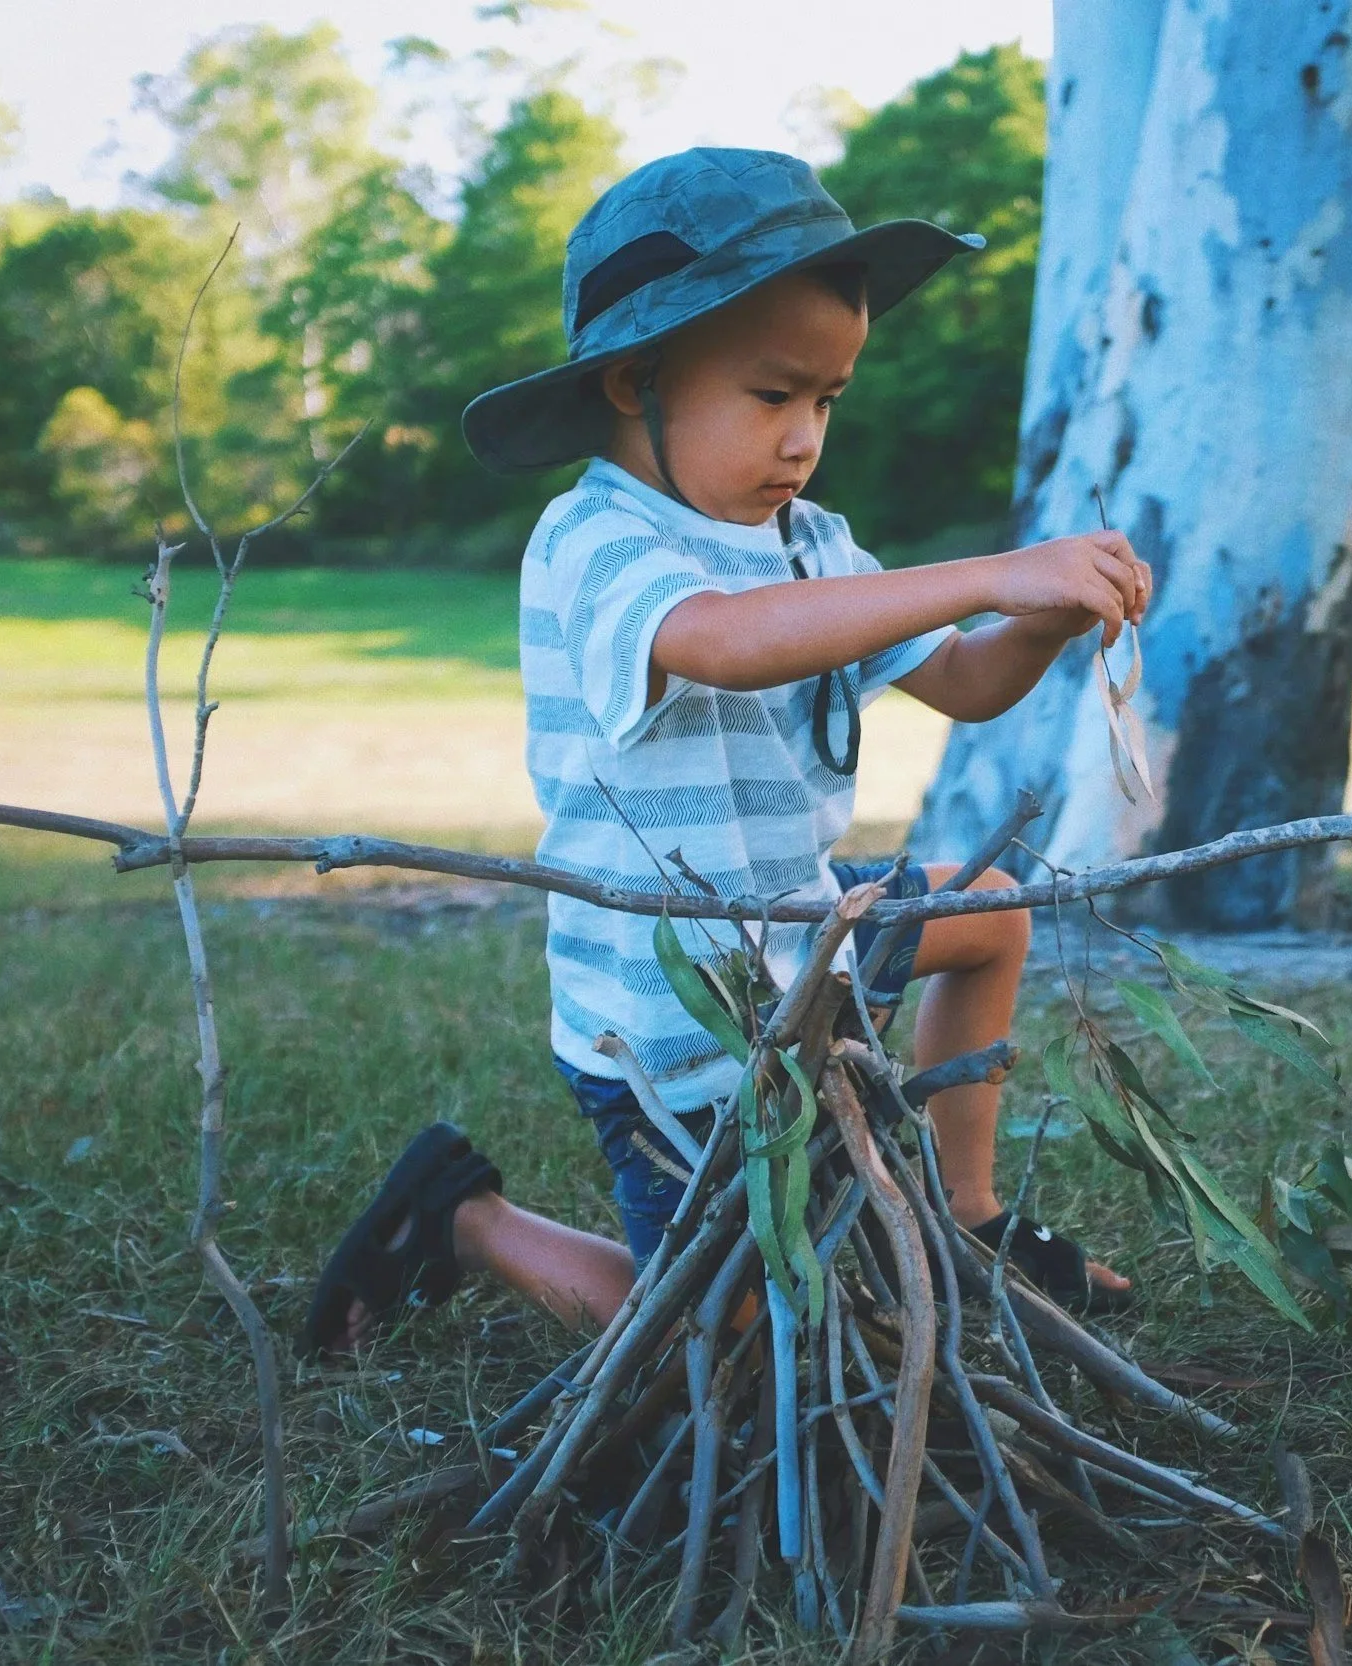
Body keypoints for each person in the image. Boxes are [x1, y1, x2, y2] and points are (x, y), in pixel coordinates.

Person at [301, 149, 1148, 1356]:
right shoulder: (597, 536)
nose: (804, 440)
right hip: (668, 1014)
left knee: (992, 911)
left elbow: (963, 683)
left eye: (828, 402)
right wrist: (985, 569)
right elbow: (718, 641)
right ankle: (467, 1220)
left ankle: (966, 1217)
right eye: (771, 396)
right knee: (730, 1343)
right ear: (635, 380)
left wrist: (1044, 619)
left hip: (804, 937)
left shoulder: (814, 543)